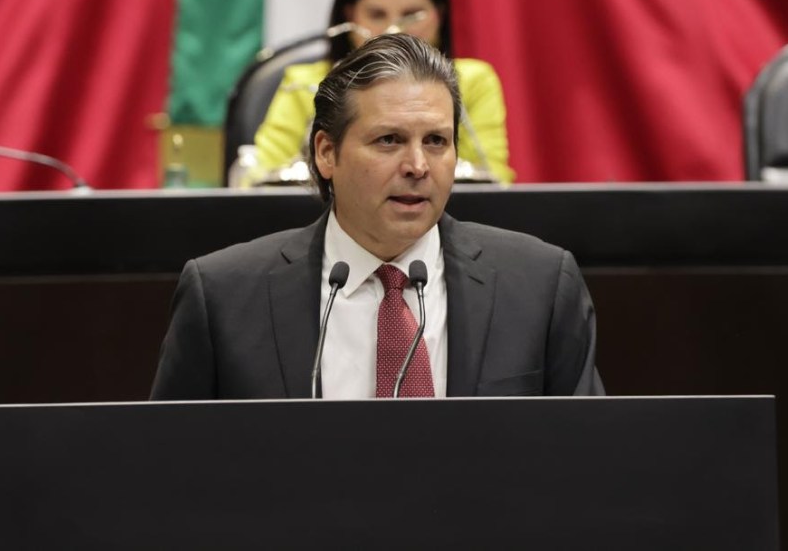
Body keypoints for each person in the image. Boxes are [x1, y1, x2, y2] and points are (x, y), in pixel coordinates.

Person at [151, 33, 603, 400]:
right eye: (389, 140)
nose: (418, 166)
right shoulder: (223, 297)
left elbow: (586, 460)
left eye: (436, 141)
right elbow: (169, 465)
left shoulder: (540, 286)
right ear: (326, 153)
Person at [252, 0, 515, 184]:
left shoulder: (473, 82)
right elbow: (257, 181)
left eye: (411, 15)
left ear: (439, 15)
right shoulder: (302, 85)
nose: (393, 31)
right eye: (377, 15)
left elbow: (492, 185)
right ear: (350, 16)